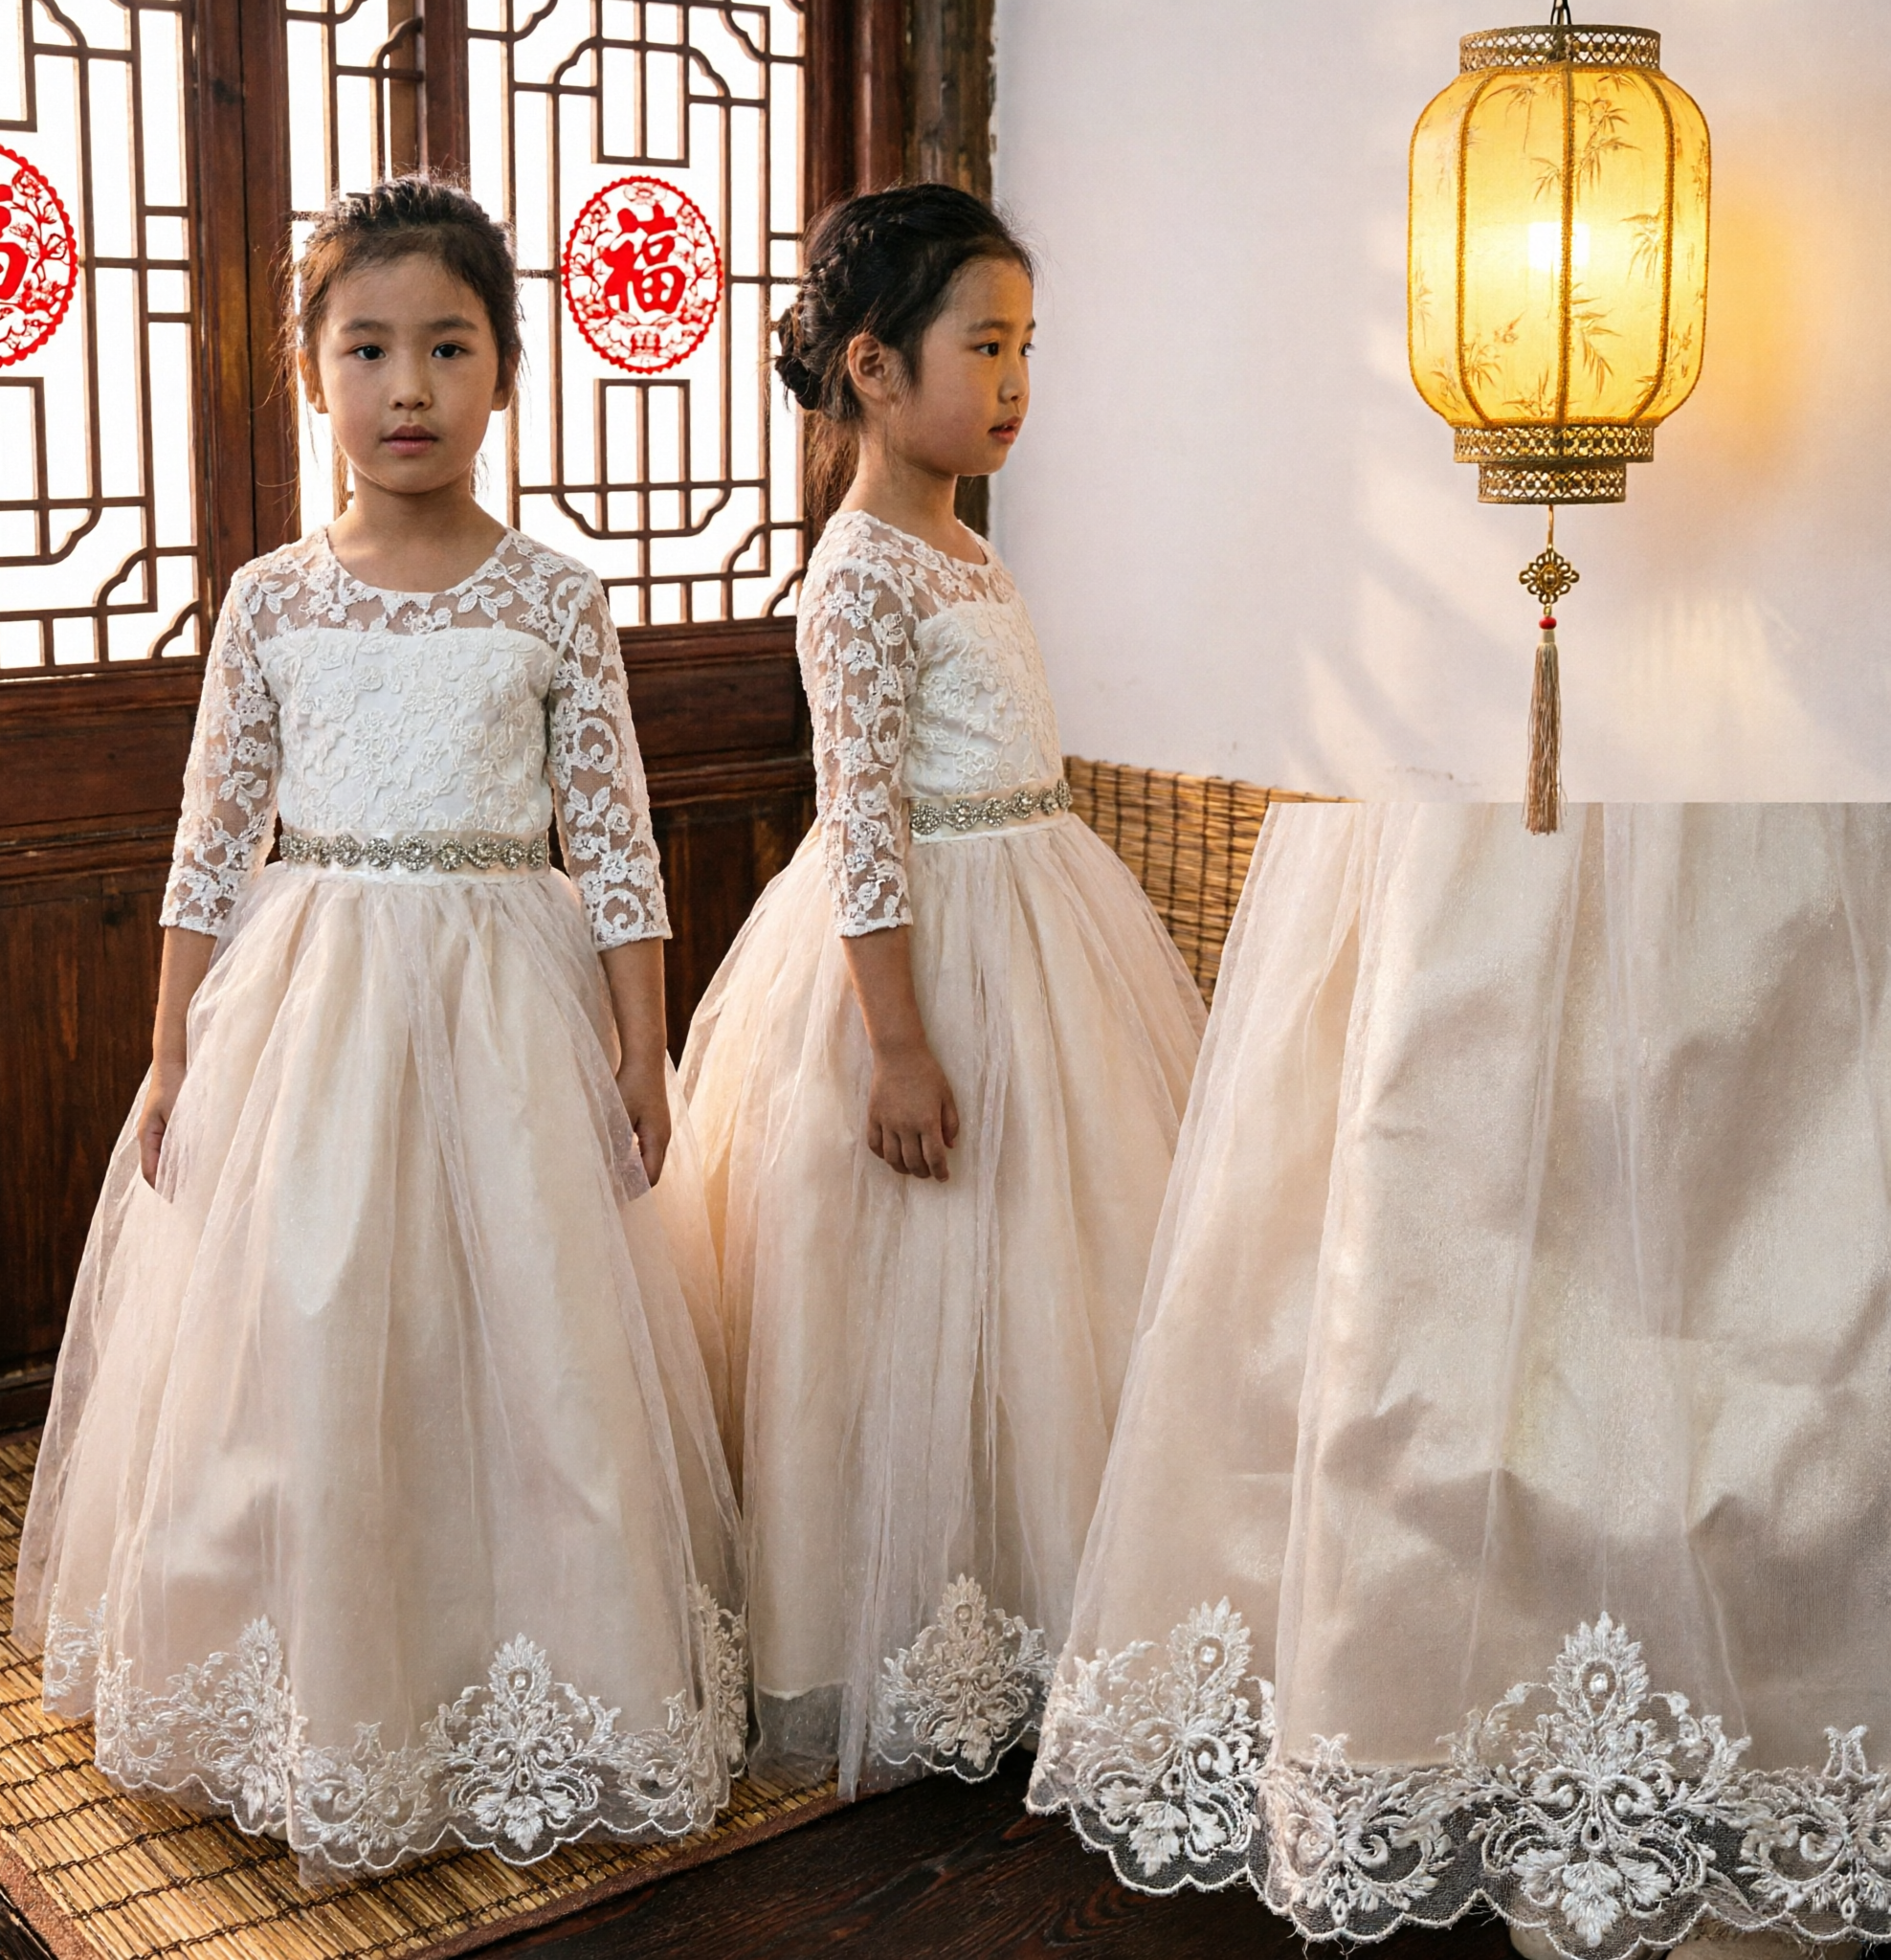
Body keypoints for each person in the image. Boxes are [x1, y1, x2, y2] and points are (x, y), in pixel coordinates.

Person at [12, 176, 745, 1883]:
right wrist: (178, 1043)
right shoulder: (271, 599)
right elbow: (208, 833)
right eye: (367, 348)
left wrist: (640, 1050)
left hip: (508, 999)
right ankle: (313, 1690)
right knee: (312, 1321)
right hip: (311, 1002)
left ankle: (517, 1669)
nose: (405, 384)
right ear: (308, 372)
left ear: (504, 373)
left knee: (529, 1335)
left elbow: (616, 841)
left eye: (447, 346)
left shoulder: (555, 598)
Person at [1027, 801, 1889, 1960]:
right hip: (1488, 801)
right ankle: (1521, 1760)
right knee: (1450, 1308)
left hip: (1714, 801)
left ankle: (1713, 1782)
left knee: (1728, 1277)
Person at [680, 184, 1206, 1799]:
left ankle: (1045, 1605)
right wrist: (896, 1045)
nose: (1014, 381)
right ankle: (914, 1621)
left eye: (1026, 346)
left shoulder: (964, 544)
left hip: (1043, 924)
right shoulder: (856, 572)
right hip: (915, 966)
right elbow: (864, 822)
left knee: (1050, 1283)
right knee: (911, 1295)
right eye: (983, 345)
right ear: (871, 366)